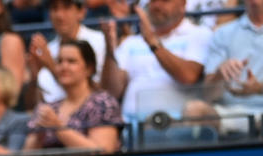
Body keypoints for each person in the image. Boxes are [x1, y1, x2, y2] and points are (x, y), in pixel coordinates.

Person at [101, 0, 212, 123]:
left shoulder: (199, 34)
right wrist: (109, 51)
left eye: (165, 1)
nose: (157, 5)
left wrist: (153, 43)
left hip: (179, 128)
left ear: (183, 4)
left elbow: (188, 76)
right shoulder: (131, 42)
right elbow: (111, 92)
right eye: (153, 1)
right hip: (131, 130)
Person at [24, 40, 123, 151]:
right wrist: (39, 135)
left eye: (71, 61)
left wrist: (58, 128)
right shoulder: (49, 107)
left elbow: (103, 151)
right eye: (59, 61)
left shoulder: (103, 103)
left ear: (89, 68)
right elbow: (26, 155)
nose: (64, 67)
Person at [182, 0, 263, 134]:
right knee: (194, 110)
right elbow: (208, 94)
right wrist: (220, 73)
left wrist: (258, 88)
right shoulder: (223, 33)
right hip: (226, 112)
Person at [23, 0, 106, 108]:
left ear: (81, 12)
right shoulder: (46, 50)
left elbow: (101, 93)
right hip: (48, 118)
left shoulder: (100, 42)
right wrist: (34, 78)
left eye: (67, 8)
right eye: (54, 8)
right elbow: (31, 106)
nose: (59, 15)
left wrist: (51, 65)